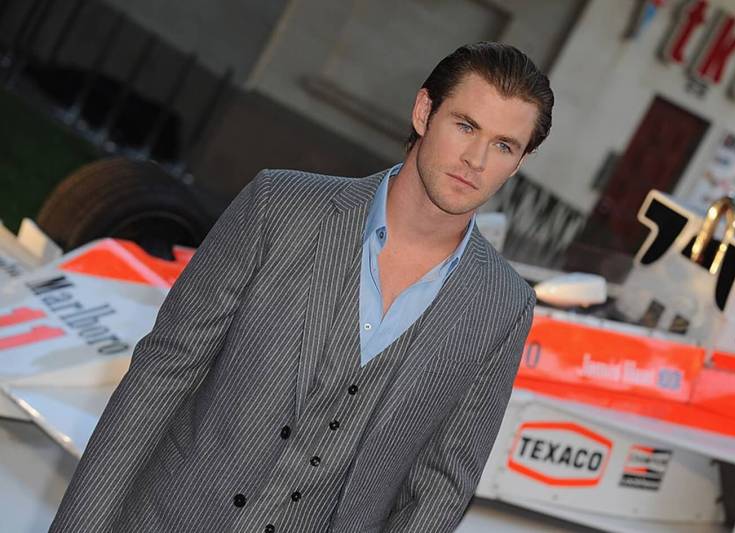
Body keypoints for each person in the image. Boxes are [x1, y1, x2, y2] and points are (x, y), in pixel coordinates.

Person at [50, 41, 553, 532]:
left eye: (504, 145)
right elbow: (160, 376)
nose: (476, 159)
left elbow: (440, 487)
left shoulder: (501, 306)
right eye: (465, 125)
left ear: (520, 160)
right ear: (424, 112)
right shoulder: (279, 205)